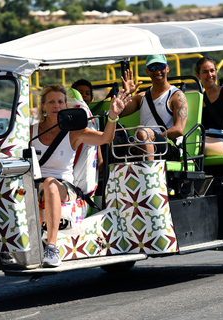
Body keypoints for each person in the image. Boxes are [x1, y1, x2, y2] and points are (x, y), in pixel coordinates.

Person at [31, 84, 130, 267]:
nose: (56, 106)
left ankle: (51, 247)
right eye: (51, 102)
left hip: (63, 186)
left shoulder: (74, 132)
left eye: (61, 102)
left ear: (66, 106)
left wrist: (113, 115)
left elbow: (105, 138)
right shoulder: (31, 131)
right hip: (34, 185)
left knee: (50, 184)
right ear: (43, 106)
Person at [121, 54, 188, 161]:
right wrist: (126, 94)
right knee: (113, 138)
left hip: (169, 146)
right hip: (144, 142)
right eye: (152, 68)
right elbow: (117, 113)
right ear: (147, 71)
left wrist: (148, 139)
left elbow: (179, 130)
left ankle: (149, 173)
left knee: (142, 131)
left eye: (160, 67)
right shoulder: (141, 97)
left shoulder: (176, 96)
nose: (157, 71)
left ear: (167, 68)